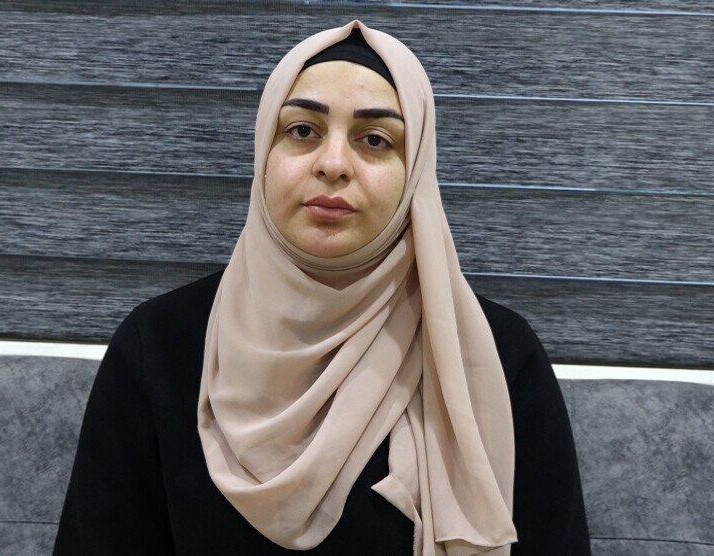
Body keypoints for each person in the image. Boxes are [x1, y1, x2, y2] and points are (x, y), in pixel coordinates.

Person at [54, 21, 589, 555]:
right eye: (302, 131)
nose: (333, 165)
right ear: (264, 153)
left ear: (415, 172)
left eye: (375, 140)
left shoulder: (496, 356)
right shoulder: (159, 347)